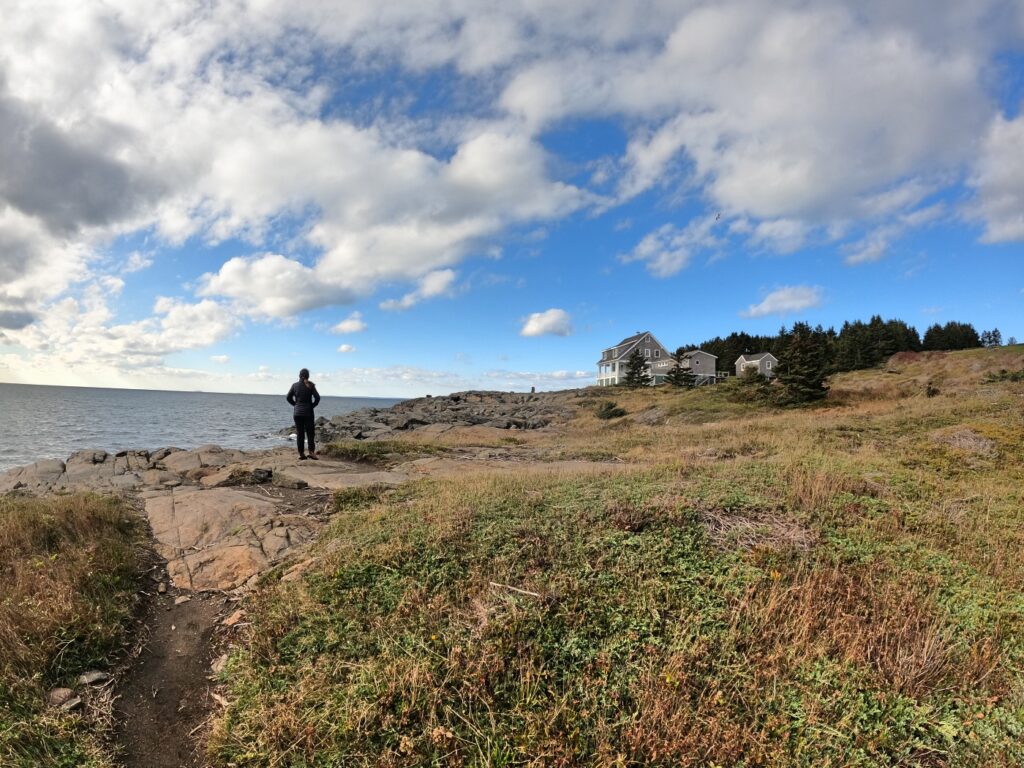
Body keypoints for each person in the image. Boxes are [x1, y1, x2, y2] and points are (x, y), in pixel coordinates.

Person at [286, 368, 321, 460]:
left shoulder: (295, 385)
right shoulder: (311, 385)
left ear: (299, 376)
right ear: (308, 376)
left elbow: (288, 397)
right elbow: (317, 398)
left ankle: (301, 454)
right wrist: (312, 406)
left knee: (300, 434)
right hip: (308, 413)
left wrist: (295, 405)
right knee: (310, 433)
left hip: (297, 413)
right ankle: (312, 453)